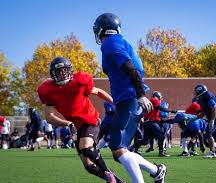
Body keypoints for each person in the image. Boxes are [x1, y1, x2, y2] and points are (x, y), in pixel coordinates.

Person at [93, 13, 167, 183]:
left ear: (102, 29)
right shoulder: (118, 41)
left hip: (130, 97)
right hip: (128, 98)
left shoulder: (110, 43)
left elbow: (130, 67)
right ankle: (157, 171)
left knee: (118, 149)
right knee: (120, 151)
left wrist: (140, 95)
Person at [37, 57, 124, 183]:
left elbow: (98, 91)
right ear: (53, 74)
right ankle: (119, 182)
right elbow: (49, 117)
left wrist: (114, 103)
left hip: (90, 119)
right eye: (59, 71)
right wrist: (68, 124)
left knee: (86, 148)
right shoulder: (48, 90)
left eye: (64, 70)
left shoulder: (79, 81)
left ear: (70, 70)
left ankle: (107, 173)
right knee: (89, 166)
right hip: (76, 126)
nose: (62, 74)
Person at [193, 84, 216, 158]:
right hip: (215, 117)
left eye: (196, 90)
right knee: (213, 136)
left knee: (208, 133)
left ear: (199, 90)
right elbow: (204, 111)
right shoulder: (201, 98)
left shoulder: (206, 95)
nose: (194, 92)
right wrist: (195, 118)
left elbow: (214, 107)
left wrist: (212, 120)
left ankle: (212, 153)